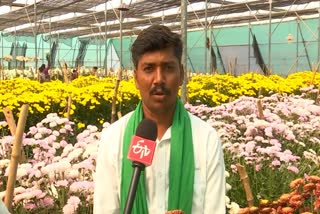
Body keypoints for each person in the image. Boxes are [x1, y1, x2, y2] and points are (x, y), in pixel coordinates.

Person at [94, 25, 226, 214]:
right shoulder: (113, 138)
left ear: (181, 74)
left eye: (168, 68)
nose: (158, 79)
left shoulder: (206, 139)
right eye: (148, 69)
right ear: (136, 78)